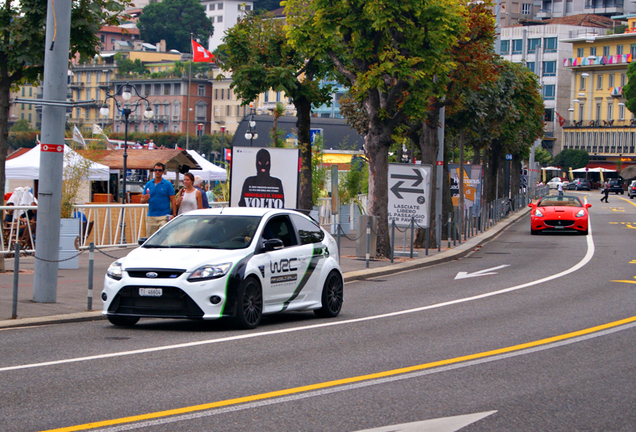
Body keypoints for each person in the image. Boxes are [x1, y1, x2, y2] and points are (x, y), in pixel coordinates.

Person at [141, 162, 176, 237]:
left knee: (162, 237)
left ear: (163, 172)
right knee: (150, 239)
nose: (157, 172)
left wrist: (174, 214)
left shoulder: (167, 184)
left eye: (159, 170)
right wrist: (145, 199)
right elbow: (142, 201)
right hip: (151, 216)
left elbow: (173, 199)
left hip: (163, 216)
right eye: (156, 170)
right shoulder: (149, 184)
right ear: (154, 171)